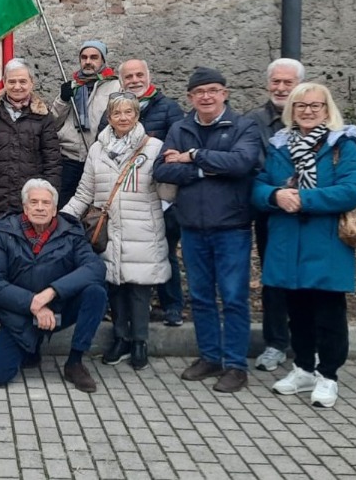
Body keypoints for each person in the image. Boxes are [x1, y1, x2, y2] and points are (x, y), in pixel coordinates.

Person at [253, 83, 356, 408]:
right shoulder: (279, 146)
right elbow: (259, 186)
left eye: (315, 106)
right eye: (300, 105)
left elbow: (355, 187)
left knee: (329, 312)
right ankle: (303, 367)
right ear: (291, 109)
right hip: (287, 241)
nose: (307, 111)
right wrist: (275, 196)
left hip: (326, 240)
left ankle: (328, 375)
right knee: (297, 310)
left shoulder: (341, 145)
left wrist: (304, 199)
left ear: (326, 109)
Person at [153, 67, 262, 393]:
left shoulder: (244, 126)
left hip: (232, 227)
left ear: (224, 93)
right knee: (200, 297)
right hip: (193, 228)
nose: (206, 97)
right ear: (190, 97)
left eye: (213, 90)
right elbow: (161, 170)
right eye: (199, 92)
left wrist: (194, 156)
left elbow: (242, 164)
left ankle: (235, 366)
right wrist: (203, 171)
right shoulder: (180, 127)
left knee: (233, 298)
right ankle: (210, 356)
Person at [64, 92, 173, 371]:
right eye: (117, 113)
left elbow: (168, 191)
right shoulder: (98, 150)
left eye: (129, 112)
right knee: (114, 284)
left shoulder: (154, 147)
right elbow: (85, 192)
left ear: (137, 116)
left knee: (138, 286)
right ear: (109, 117)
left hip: (142, 229)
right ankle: (120, 338)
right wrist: (63, 218)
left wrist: (172, 175)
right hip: (108, 230)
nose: (123, 118)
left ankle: (140, 342)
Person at [0, 179, 107, 393]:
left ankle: (75, 362)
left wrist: (50, 293)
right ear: (25, 207)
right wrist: (32, 303)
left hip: (59, 308)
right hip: (19, 313)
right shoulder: (4, 232)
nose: (40, 207)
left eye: (46, 203)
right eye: (34, 202)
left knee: (96, 292)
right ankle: (31, 346)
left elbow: (95, 268)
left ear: (55, 208)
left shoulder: (71, 233)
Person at [0, 58, 60, 324]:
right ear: (4, 84)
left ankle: (21, 308)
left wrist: (49, 200)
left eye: (23, 81)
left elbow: (53, 162)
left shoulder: (44, 117)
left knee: (26, 257)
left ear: (31, 83)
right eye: (12, 81)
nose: (18, 86)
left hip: (30, 202)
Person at [101, 59, 187, 327]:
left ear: (148, 77)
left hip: (159, 196)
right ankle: (131, 309)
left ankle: (171, 305)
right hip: (125, 198)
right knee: (125, 254)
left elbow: (178, 144)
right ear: (121, 80)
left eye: (140, 75)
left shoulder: (169, 108)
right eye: (129, 76)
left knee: (163, 251)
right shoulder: (117, 107)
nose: (135, 80)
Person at [246, 58, 305, 371]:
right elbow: (253, 165)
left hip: (312, 213)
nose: (281, 88)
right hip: (273, 213)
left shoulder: (311, 115)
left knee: (311, 279)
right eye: (276, 82)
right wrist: (279, 191)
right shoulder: (255, 120)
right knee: (274, 279)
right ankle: (276, 343)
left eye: (288, 83)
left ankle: (309, 342)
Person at [51, 40, 122, 208]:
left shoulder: (116, 86)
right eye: (84, 57)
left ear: (103, 60)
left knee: (93, 210)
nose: (88, 61)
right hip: (69, 158)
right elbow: (53, 122)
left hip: (99, 159)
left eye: (93, 57)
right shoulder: (73, 86)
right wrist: (63, 99)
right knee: (64, 207)